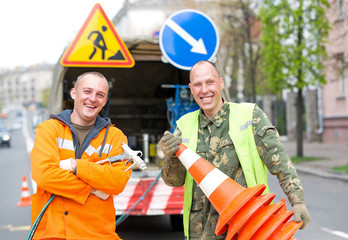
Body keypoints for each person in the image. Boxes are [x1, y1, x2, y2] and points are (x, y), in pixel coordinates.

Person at [159, 60, 311, 240]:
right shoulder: (184, 126)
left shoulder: (250, 116)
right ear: (191, 89)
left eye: (210, 82)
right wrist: (171, 157)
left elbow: (280, 163)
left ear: (221, 83)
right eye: (198, 85)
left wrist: (298, 201)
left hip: (245, 229)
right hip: (199, 232)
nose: (204, 90)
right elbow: (174, 182)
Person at [30, 72, 131, 240]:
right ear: (73, 93)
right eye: (87, 91)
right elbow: (44, 175)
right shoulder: (49, 129)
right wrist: (92, 189)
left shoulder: (115, 137)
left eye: (100, 95)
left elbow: (117, 181)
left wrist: (75, 166)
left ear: (105, 101)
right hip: (53, 234)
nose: (93, 99)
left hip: (98, 235)